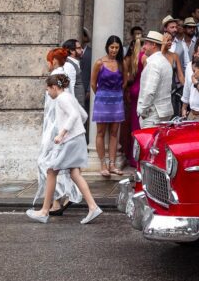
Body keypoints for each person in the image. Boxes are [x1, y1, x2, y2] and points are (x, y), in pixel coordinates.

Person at [26, 73, 102, 224]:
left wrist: (62, 133)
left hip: (70, 141)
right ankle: (93, 207)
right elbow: (83, 115)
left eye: (48, 89)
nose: (47, 92)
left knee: (51, 170)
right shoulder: (69, 97)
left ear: (54, 87)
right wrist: (75, 130)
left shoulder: (61, 99)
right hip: (77, 138)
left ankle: (44, 211)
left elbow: (74, 115)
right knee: (74, 173)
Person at [34, 50, 83, 214]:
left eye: (48, 60)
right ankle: (61, 199)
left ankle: (58, 201)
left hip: (54, 128)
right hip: (60, 127)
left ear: (54, 61)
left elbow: (52, 109)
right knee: (61, 167)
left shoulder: (55, 78)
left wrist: (58, 132)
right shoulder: (64, 75)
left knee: (46, 164)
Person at [91, 35, 126, 177]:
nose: (114, 50)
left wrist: (116, 94)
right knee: (100, 132)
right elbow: (93, 83)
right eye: (112, 47)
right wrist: (101, 95)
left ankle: (112, 164)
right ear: (107, 47)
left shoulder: (121, 63)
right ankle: (103, 164)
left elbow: (125, 82)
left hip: (117, 99)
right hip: (102, 99)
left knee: (114, 133)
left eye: (117, 47)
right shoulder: (99, 63)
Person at [137, 30, 174, 126]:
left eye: (146, 44)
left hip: (153, 114)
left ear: (153, 45)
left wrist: (142, 111)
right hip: (163, 112)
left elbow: (149, 91)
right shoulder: (165, 61)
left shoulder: (153, 63)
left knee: (149, 141)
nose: (144, 47)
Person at [123, 32, 145, 167]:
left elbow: (130, 77)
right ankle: (139, 158)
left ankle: (132, 157)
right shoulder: (144, 58)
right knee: (140, 125)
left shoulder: (132, 58)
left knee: (134, 124)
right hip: (141, 89)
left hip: (133, 90)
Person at [181, 38, 199, 119]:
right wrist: (184, 108)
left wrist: (196, 83)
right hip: (191, 113)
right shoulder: (189, 66)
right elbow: (187, 88)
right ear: (194, 54)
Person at [62, 38, 86, 104]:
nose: (82, 50)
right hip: (74, 105)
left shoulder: (74, 63)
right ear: (72, 51)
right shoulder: (69, 65)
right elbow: (70, 87)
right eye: (79, 48)